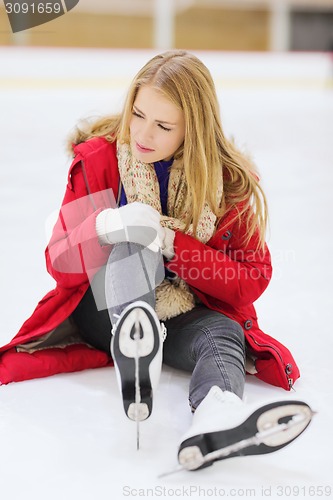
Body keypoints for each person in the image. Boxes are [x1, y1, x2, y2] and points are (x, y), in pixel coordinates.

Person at [0, 50, 313, 471]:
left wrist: (172, 241)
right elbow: (60, 261)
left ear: (195, 131)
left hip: (182, 312)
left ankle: (216, 419)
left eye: (163, 126)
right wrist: (108, 225)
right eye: (138, 114)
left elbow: (249, 281)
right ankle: (136, 347)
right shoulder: (100, 160)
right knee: (135, 241)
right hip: (104, 312)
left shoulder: (226, 184)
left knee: (223, 332)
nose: (143, 133)